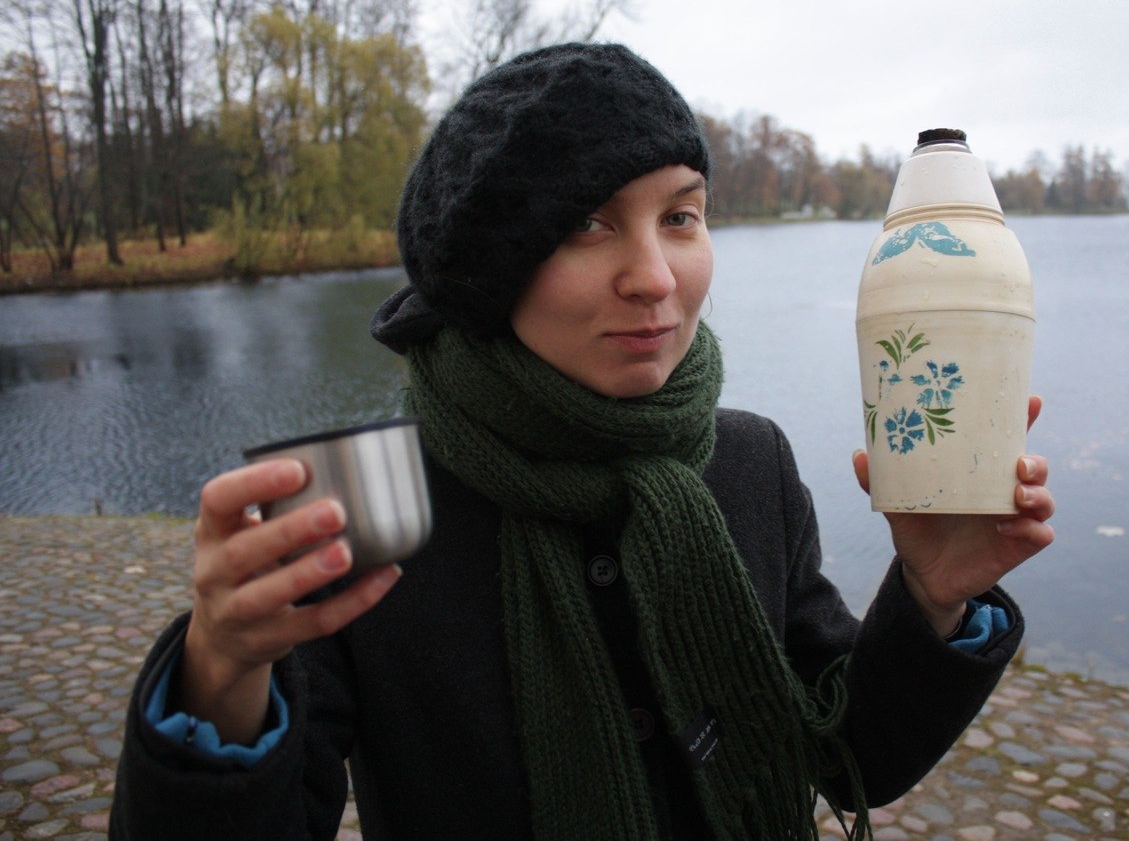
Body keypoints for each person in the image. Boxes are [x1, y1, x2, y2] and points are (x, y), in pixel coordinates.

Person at [109, 42, 1054, 840]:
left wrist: (931, 596)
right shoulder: (360, 502)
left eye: (679, 216)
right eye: (586, 223)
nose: (655, 276)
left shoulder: (748, 462)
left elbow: (851, 755)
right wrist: (220, 671)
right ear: (489, 267)